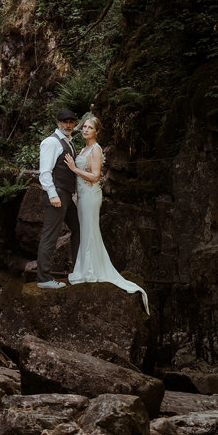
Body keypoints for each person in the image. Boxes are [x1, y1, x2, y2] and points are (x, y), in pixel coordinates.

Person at [65, 115, 149, 314]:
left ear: (97, 131)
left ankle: (91, 271)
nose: (85, 130)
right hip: (83, 195)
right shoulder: (84, 148)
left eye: (90, 127)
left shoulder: (96, 149)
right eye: (84, 126)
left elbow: (95, 176)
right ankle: (85, 269)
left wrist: (74, 169)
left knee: (90, 230)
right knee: (86, 230)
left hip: (91, 196)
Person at [36, 109, 80, 289]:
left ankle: (78, 270)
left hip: (67, 196)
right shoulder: (51, 142)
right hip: (57, 194)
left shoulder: (68, 142)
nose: (68, 125)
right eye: (65, 122)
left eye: (71, 122)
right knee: (50, 235)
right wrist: (53, 195)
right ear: (57, 122)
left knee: (79, 227)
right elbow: (45, 172)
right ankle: (44, 279)